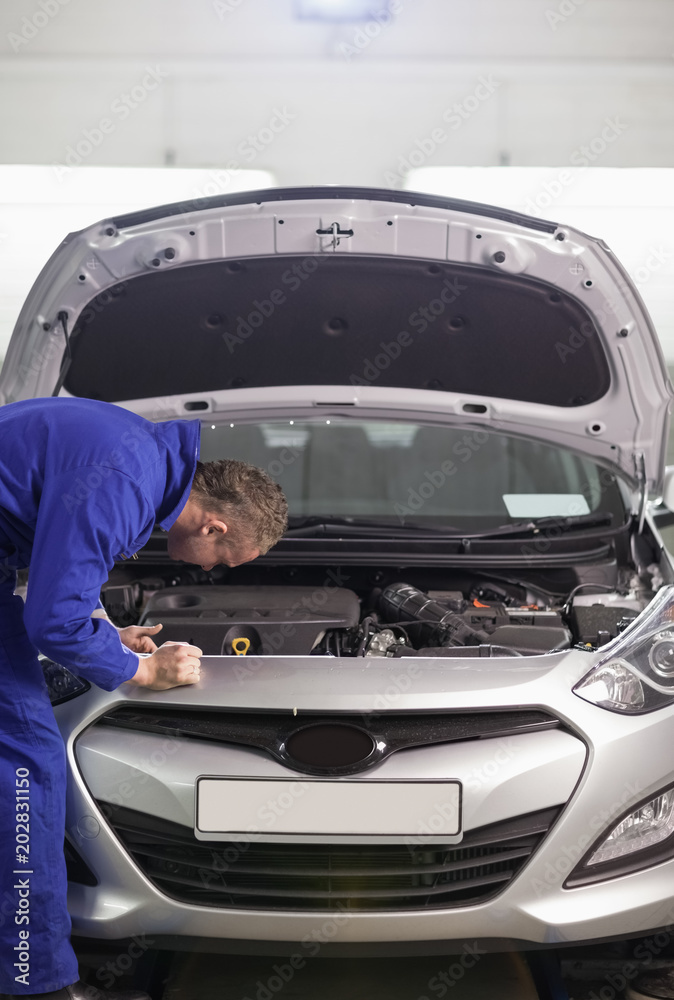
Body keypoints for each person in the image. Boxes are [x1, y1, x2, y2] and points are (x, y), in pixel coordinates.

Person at [0, 397, 288, 999]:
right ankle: (34, 981)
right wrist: (142, 672)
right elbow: (51, 622)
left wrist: (106, 635)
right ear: (214, 527)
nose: (209, 574)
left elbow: (66, 569)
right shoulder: (122, 479)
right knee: (27, 766)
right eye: (222, 562)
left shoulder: (140, 461)